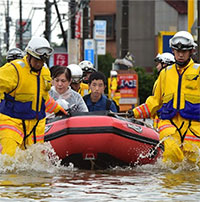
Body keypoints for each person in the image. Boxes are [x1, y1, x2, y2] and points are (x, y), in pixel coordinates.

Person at [128, 31, 200, 166]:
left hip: (194, 126)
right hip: (169, 123)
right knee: (171, 154)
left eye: (184, 51)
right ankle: (169, 186)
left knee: (193, 162)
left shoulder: (198, 71)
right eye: (177, 51)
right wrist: (136, 112)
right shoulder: (165, 74)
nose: (180, 54)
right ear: (173, 50)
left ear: (191, 51)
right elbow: (155, 101)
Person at [0, 36, 67, 156]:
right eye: (36, 60)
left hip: (35, 126)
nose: (39, 64)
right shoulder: (13, 69)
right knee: (8, 161)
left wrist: (57, 110)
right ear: (28, 55)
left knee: (36, 162)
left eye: (42, 61)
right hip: (11, 122)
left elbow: (43, 98)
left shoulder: (45, 72)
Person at [152, 52, 175, 128]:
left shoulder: (168, 80)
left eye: (159, 64)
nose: (157, 67)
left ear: (165, 64)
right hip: (160, 120)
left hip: (165, 121)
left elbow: (155, 102)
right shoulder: (160, 79)